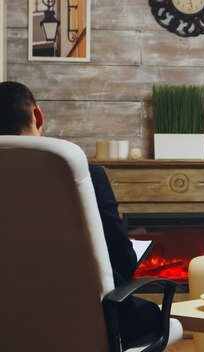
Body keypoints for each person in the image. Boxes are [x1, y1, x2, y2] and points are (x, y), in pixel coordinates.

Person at [0, 81, 161, 349]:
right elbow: (123, 261)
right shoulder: (87, 175)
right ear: (38, 115)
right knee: (153, 318)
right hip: (92, 325)